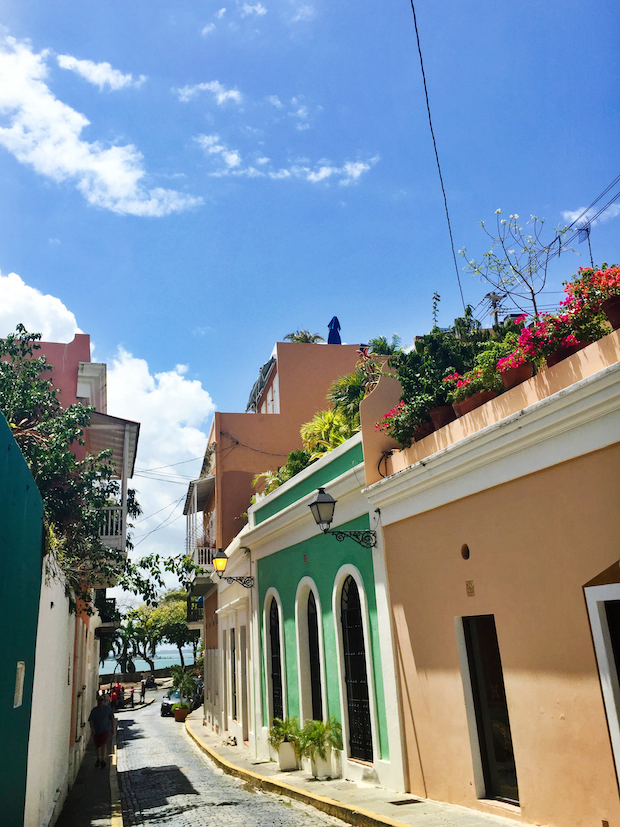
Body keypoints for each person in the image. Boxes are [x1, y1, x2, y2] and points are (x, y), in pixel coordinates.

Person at [88, 694, 115, 769]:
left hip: (105, 729)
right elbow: (91, 720)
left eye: (102, 701)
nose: (100, 702)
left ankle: (103, 759)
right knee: (97, 746)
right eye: (99, 701)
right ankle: (98, 759)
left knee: (104, 744)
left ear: (104, 701)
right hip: (96, 730)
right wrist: (92, 729)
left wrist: (113, 728)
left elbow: (112, 719)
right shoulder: (94, 710)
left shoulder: (107, 709)